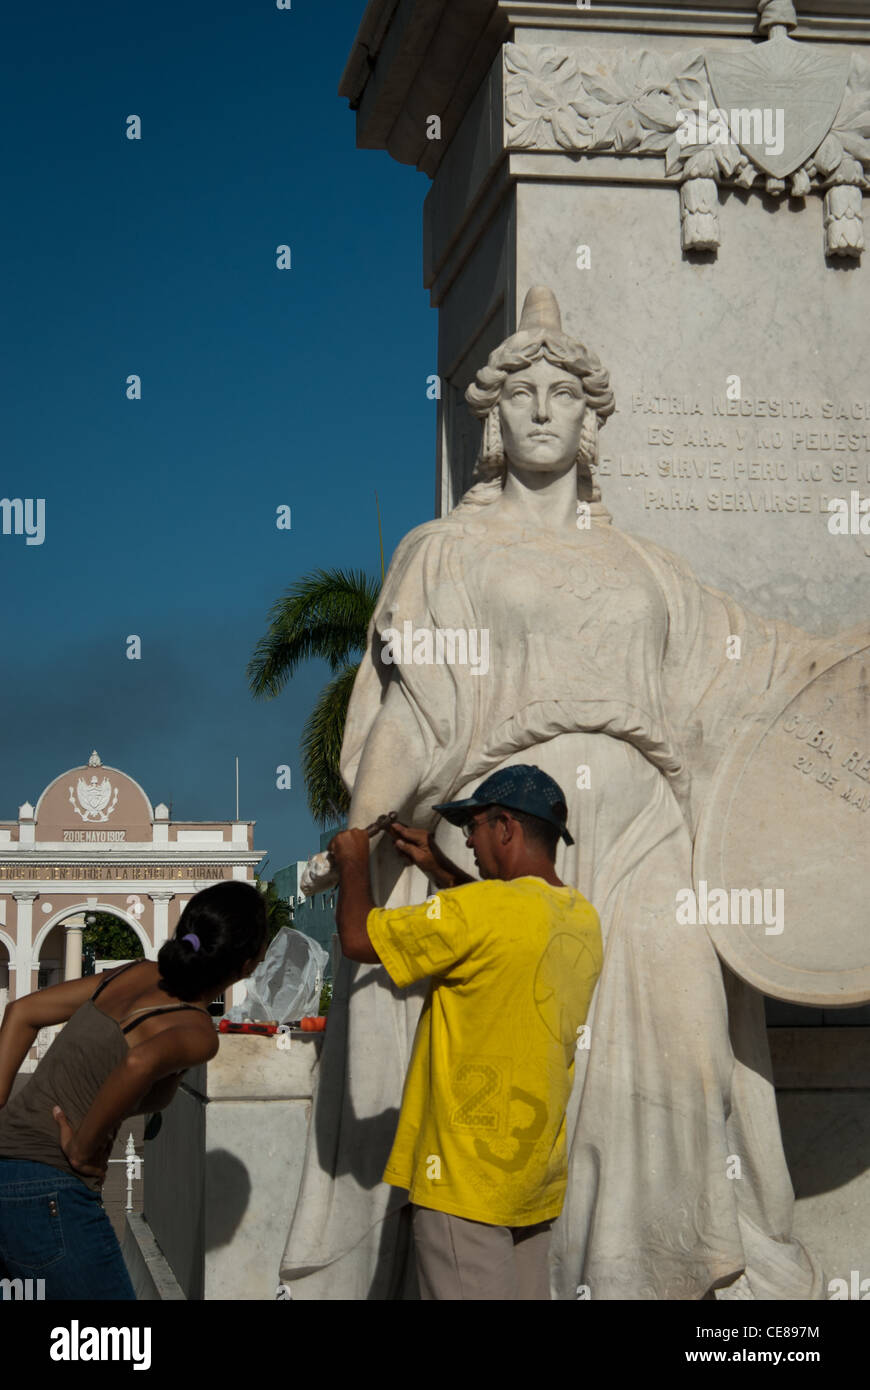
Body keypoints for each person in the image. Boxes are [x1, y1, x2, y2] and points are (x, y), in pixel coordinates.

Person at [280, 285, 863, 1301]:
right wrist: (363, 833)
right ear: (492, 422)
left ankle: (663, 1276)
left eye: (563, 393)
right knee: (544, 1068)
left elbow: (759, 669)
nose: (543, 408)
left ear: (592, 421)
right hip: (509, 843)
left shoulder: (648, 567)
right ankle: (559, 1279)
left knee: (682, 1047)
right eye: (522, 394)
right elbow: (414, 702)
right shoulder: (447, 551)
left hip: (648, 834)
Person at [330, 765, 602, 1300]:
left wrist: (353, 862)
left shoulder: (478, 911)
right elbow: (499, 922)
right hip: (531, 1177)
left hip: (463, 1182)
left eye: (473, 828)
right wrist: (439, 866)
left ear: (506, 827)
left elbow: (359, 937)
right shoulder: (580, 916)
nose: (469, 842)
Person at [0, 880, 267, 1300]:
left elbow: (21, 1013)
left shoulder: (133, 973)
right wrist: (83, 1150)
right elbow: (138, 1062)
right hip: (53, 1189)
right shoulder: (197, 1030)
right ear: (250, 962)